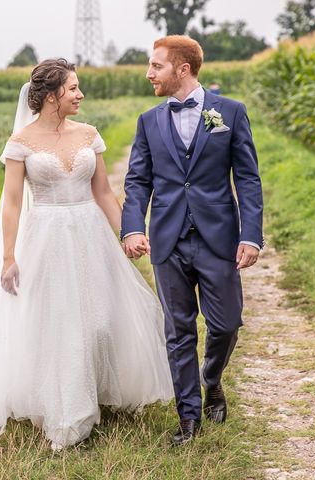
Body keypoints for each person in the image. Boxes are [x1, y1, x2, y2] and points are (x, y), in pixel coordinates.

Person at [0, 58, 174, 451]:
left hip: (89, 232)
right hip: (47, 237)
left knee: (100, 319)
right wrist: (8, 257)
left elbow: (103, 191)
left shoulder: (88, 134)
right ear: (51, 96)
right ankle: (68, 413)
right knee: (60, 323)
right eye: (73, 89)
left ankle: (101, 388)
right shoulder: (21, 143)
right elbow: (13, 203)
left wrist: (129, 233)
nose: (80, 94)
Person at [121, 36, 264, 446]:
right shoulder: (148, 121)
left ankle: (212, 378)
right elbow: (138, 181)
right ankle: (189, 419)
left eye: (156, 66)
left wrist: (251, 235)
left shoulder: (231, 113)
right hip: (167, 240)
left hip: (218, 237)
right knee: (178, 331)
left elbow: (248, 179)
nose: (149, 73)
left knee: (226, 323)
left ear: (182, 69)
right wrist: (133, 227)